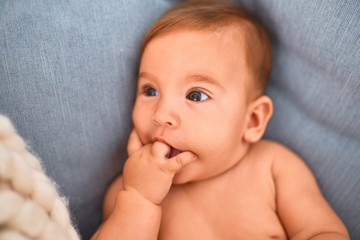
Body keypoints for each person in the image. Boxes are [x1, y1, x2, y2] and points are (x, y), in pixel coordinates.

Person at [92, 1, 349, 239]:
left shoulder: (274, 168)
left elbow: (323, 232)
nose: (161, 115)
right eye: (150, 91)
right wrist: (139, 200)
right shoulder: (128, 190)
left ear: (252, 121)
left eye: (195, 95)